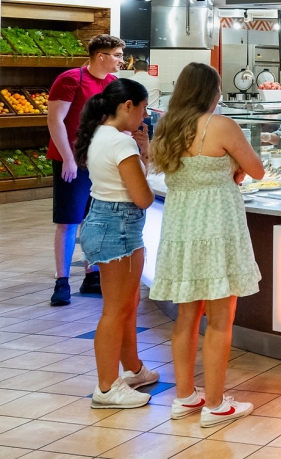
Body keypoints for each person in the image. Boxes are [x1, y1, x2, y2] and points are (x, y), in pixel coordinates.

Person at [149, 63, 267, 428]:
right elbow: (258, 169)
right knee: (220, 318)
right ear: (211, 92)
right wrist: (236, 167)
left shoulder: (167, 125)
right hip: (217, 225)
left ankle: (185, 397)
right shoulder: (221, 126)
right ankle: (215, 404)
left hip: (181, 225)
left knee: (187, 314)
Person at [75, 79, 159, 409]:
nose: (143, 116)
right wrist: (142, 156)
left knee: (127, 304)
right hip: (118, 227)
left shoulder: (102, 134)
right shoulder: (120, 144)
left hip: (108, 222)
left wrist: (144, 151)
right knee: (115, 310)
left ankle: (133, 370)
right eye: (142, 109)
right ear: (127, 106)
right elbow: (141, 197)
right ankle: (107, 388)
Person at [46, 34, 124, 306]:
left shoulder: (114, 85)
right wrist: (67, 158)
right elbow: (55, 120)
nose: (120, 60)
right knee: (68, 221)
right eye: (116, 55)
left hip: (99, 162)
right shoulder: (70, 79)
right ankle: (62, 281)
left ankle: (91, 276)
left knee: (93, 221)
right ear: (100, 56)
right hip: (72, 162)